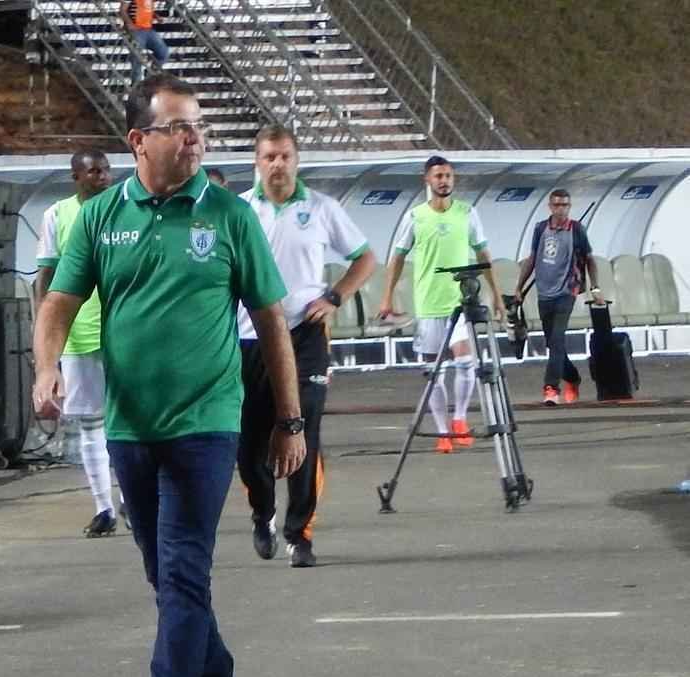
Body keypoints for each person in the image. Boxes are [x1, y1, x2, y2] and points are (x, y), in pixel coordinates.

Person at [33, 74, 305, 677]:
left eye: (199, 127)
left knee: (184, 567)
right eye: (179, 127)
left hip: (206, 422)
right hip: (131, 426)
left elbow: (273, 322)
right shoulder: (100, 219)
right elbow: (58, 301)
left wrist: (288, 417)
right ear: (138, 141)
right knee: (167, 576)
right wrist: (46, 367)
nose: (195, 139)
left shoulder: (228, 216)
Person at [238, 125, 376, 568]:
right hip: (248, 337)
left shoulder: (321, 208)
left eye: (284, 157)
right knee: (249, 440)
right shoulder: (239, 211)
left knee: (303, 430)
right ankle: (264, 513)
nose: (277, 165)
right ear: (257, 163)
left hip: (304, 335)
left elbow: (365, 257)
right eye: (269, 158)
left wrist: (335, 296)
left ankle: (301, 533)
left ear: (296, 161)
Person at [379, 155, 504, 454]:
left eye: (448, 175)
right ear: (428, 180)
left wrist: (496, 294)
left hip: (461, 302)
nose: (444, 180)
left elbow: (483, 255)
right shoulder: (415, 217)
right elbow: (397, 257)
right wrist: (387, 296)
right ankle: (442, 430)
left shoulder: (467, 213)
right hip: (429, 303)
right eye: (438, 176)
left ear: (453, 179)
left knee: (466, 362)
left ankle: (459, 420)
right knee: (434, 372)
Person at [34, 148, 121, 537]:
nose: (102, 177)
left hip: (125, 329)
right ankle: (104, 507)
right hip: (80, 331)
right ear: (76, 177)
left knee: (128, 423)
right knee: (90, 423)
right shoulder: (57, 215)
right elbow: (46, 276)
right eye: (93, 172)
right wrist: (45, 331)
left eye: (105, 171)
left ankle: (134, 501)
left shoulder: (127, 206)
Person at [513, 189, 602, 405]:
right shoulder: (540, 228)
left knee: (557, 338)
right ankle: (572, 377)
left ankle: (551, 388)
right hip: (544, 292)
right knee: (554, 344)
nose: (561, 209)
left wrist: (595, 288)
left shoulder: (577, 230)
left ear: (569, 207)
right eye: (557, 205)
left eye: (565, 205)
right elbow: (533, 258)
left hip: (567, 291)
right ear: (550, 207)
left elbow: (590, 259)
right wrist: (519, 287)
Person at [120, 0, 169, 87]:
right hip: (136, 30)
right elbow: (123, 10)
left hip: (148, 29)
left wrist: (156, 17)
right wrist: (129, 23)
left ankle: (150, 76)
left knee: (163, 53)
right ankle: (136, 84)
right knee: (136, 57)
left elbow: (147, 9)